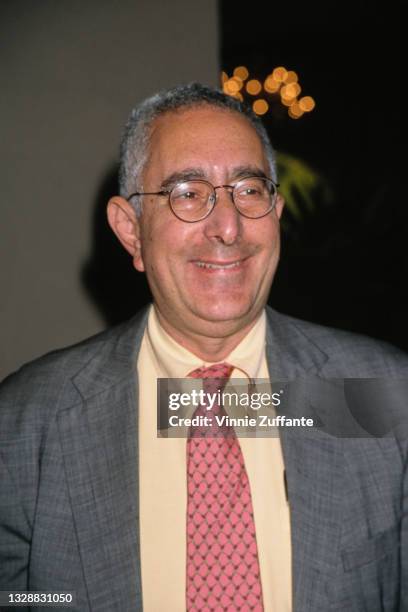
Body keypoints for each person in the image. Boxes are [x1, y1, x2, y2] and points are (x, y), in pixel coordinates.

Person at [0, 83, 407, 612]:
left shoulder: (382, 395)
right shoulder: (26, 423)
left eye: (249, 190)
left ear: (276, 212)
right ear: (131, 231)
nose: (228, 227)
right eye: (188, 193)